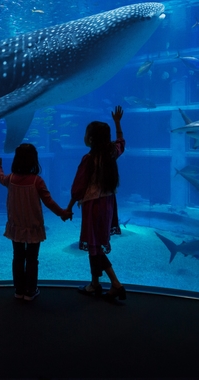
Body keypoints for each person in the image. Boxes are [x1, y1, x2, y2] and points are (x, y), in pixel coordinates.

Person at [0, 145, 71, 301]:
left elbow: (0, 178)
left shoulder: (11, 178)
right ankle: (30, 290)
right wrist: (62, 213)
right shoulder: (37, 181)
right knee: (32, 259)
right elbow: (49, 202)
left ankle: (19, 290)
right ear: (35, 161)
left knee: (18, 257)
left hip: (17, 226)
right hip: (33, 227)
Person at [66, 105, 127, 302]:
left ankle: (116, 284)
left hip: (93, 206)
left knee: (95, 246)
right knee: (95, 245)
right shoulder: (110, 153)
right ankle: (94, 283)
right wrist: (117, 123)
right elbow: (121, 143)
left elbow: (78, 187)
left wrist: (68, 206)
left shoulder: (89, 159)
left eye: (86, 134)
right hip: (108, 204)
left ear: (91, 139)